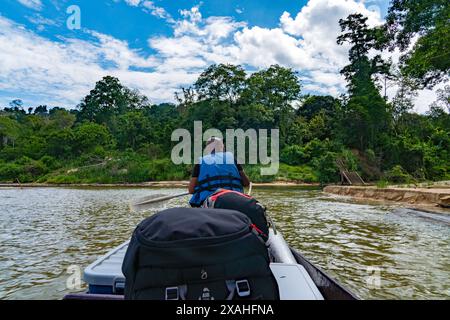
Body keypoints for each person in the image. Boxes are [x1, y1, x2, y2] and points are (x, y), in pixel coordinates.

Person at [189, 137, 250, 207]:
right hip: (235, 199)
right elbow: (246, 183)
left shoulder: (201, 162)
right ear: (222, 147)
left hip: (212, 201)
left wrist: (202, 188)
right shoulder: (232, 158)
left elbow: (191, 190)